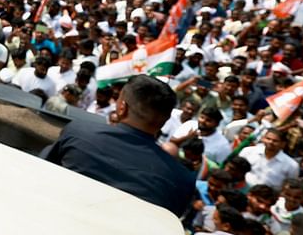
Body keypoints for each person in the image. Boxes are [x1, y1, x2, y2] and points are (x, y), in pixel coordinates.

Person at [42, 75, 195, 216]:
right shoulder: (182, 180)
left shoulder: (78, 132)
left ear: (122, 107)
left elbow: (43, 172)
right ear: (165, 120)